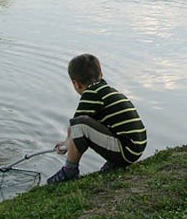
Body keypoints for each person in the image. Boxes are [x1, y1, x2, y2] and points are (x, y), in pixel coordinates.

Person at [47, 53, 147, 184]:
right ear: (101, 75)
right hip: (135, 148)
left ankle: (69, 171)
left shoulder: (91, 93)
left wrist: (66, 144)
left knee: (79, 124)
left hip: (126, 150)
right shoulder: (107, 90)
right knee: (95, 123)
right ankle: (114, 163)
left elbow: (75, 126)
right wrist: (67, 142)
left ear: (76, 84)